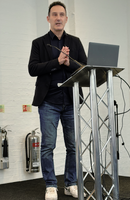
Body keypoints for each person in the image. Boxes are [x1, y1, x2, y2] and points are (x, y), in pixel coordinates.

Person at [28, 1, 87, 200]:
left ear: (66, 19)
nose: (58, 18)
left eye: (62, 14)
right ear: (48, 18)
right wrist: (57, 62)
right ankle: (51, 185)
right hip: (49, 102)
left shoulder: (76, 42)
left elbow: (84, 68)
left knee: (73, 146)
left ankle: (70, 184)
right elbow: (32, 69)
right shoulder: (39, 43)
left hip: (70, 102)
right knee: (47, 147)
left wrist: (69, 63)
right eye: (54, 14)